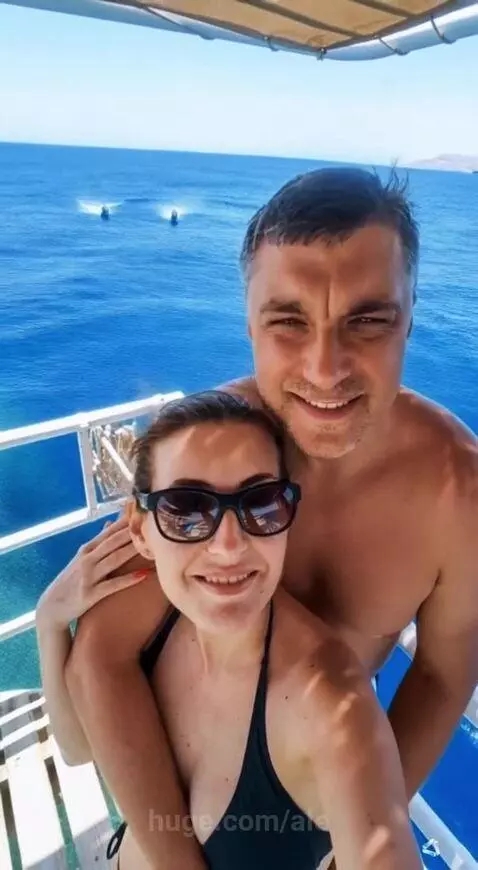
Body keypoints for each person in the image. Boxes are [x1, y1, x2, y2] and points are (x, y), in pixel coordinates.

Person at [42, 168, 477, 868]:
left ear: (410, 314)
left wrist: (366, 811)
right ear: (249, 322)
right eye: (288, 322)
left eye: (368, 320)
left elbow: (444, 674)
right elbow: (101, 651)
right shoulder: (211, 452)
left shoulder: (459, 492)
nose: (326, 370)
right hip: (175, 781)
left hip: (307, 791)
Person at [37, 390, 421, 870]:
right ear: (139, 530)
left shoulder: (330, 704)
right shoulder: (144, 620)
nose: (229, 545)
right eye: (185, 509)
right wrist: (50, 622)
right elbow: (75, 750)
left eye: (261, 504)